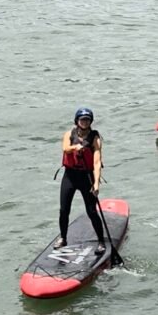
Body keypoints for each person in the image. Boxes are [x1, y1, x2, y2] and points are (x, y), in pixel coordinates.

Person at [54, 108, 106, 255]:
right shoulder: (69, 134)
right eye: (82, 119)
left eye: (87, 120)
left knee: (91, 211)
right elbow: (65, 148)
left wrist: (96, 184)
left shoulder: (95, 138)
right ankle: (63, 238)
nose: (85, 122)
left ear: (91, 121)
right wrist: (75, 147)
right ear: (77, 121)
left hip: (86, 177)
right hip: (70, 176)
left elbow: (97, 162)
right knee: (64, 210)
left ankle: (101, 242)